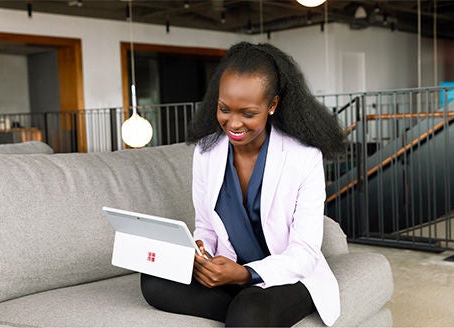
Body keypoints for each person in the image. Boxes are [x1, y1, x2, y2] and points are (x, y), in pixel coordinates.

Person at [140, 41, 347, 327]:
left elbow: (304, 253)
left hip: (285, 275)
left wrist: (245, 274)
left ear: (272, 105)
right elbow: (206, 225)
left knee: (249, 311)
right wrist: (202, 253)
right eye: (225, 109)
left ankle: (246, 306)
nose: (233, 124)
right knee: (154, 279)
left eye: (248, 113)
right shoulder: (206, 152)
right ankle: (242, 306)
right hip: (230, 274)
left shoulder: (303, 157)